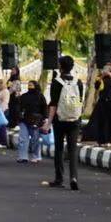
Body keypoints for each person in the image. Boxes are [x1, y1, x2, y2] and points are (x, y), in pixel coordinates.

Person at [44, 55, 85, 191]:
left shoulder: (56, 82)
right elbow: (80, 101)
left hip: (60, 119)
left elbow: (53, 104)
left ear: (60, 67)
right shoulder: (78, 82)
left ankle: (59, 178)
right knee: (73, 150)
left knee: (59, 149)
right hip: (74, 119)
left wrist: (48, 122)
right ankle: (74, 177)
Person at [17, 76, 47, 163]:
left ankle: (35, 155)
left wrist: (44, 118)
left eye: (31, 85)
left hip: (35, 121)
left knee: (35, 139)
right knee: (22, 139)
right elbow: (19, 107)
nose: (30, 87)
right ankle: (23, 156)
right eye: (28, 85)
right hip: (24, 120)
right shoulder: (24, 96)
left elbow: (45, 108)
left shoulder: (40, 97)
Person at [0, 78, 12, 148]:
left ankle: (3, 142)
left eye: (1, 83)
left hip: (3, 110)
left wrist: (1, 110)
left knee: (2, 126)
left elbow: (5, 101)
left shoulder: (5, 91)